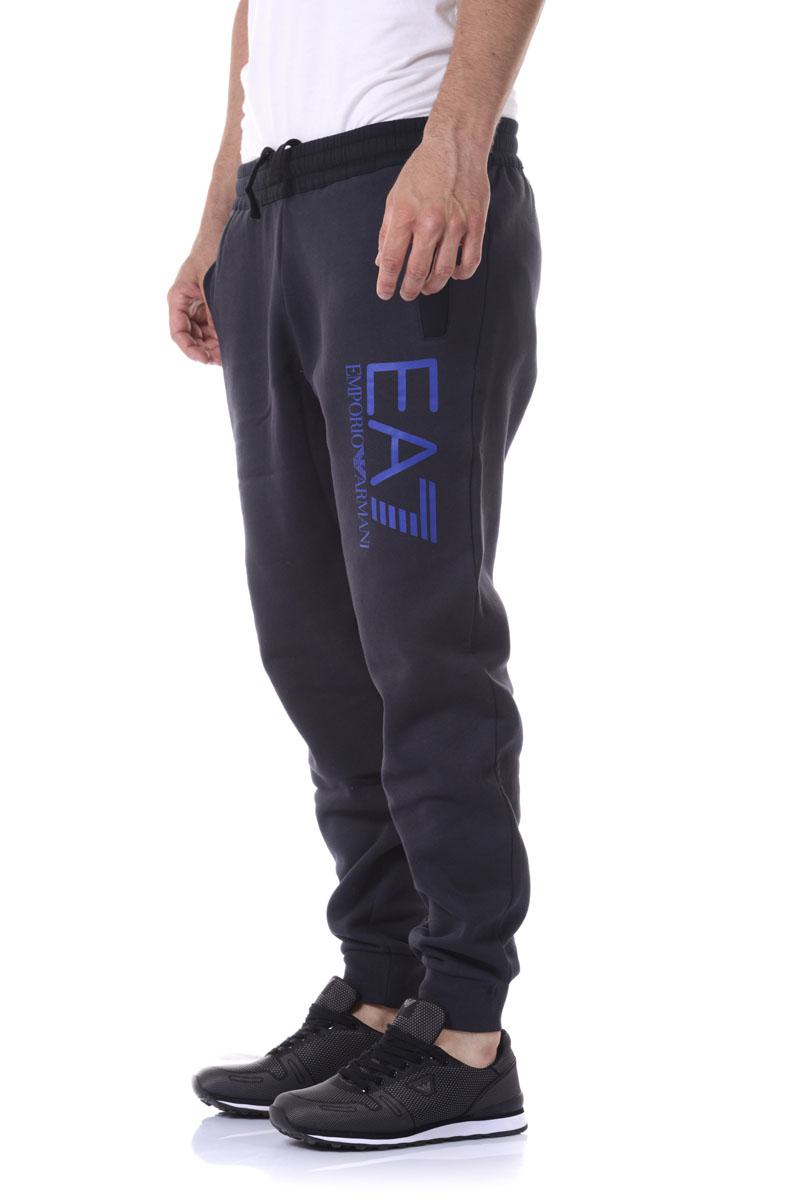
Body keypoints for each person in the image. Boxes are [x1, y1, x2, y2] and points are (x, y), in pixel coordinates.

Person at [168, 0, 544, 1150]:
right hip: (277, 212)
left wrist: (457, 143)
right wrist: (220, 224)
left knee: (420, 635)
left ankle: (465, 1029)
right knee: (314, 641)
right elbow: (260, 26)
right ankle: (384, 991)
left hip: (403, 186)